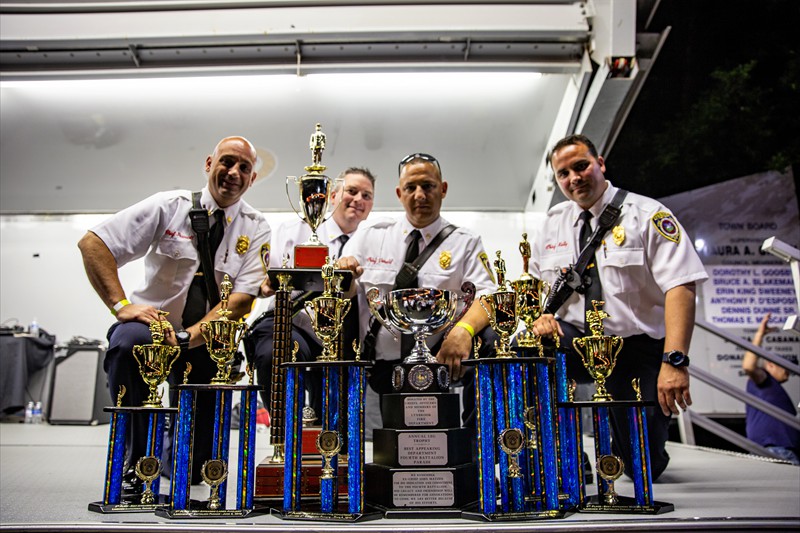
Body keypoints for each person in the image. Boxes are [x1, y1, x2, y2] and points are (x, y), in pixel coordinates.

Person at [77, 136, 270, 487]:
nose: (234, 172)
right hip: (150, 326)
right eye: (227, 162)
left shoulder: (257, 227)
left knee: (195, 470)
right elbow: (93, 243)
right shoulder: (169, 206)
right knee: (126, 345)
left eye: (245, 167)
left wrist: (185, 338)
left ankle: (166, 443)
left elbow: (240, 301)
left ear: (253, 179)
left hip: (204, 340)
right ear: (209, 163)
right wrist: (121, 306)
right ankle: (134, 458)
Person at [529, 134, 708, 481]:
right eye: (563, 174)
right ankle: (563, 454)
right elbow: (535, 287)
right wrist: (540, 316)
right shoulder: (552, 224)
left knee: (643, 468)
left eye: (581, 166)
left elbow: (681, 285)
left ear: (600, 163)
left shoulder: (648, 214)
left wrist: (674, 361)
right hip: (577, 342)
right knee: (525, 351)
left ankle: (625, 444)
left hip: (635, 348)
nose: (574, 178)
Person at [340, 153, 497, 426]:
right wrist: (344, 272)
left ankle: (478, 452)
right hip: (382, 369)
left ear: (443, 189)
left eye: (428, 186)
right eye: (411, 188)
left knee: (492, 344)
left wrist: (464, 330)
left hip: (444, 363)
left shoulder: (466, 243)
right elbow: (345, 291)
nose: (420, 195)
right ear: (400, 193)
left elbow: (488, 296)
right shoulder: (370, 235)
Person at [247, 167, 376, 418]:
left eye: (367, 195)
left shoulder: (377, 241)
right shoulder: (293, 230)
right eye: (352, 191)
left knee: (337, 420)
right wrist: (265, 286)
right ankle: (284, 435)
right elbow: (262, 282)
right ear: (333, 196)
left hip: (344, 339)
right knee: (275, 352)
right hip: (292, 325)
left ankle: (335, 450)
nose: (359, 199)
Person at [742, 313, 800, 465]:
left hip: (782, 449)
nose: (788, 370)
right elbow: (748, 366)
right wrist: (760, 334)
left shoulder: (773, 387)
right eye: (785, 365)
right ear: (770, 365)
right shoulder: (764, 379)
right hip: (775, 449)